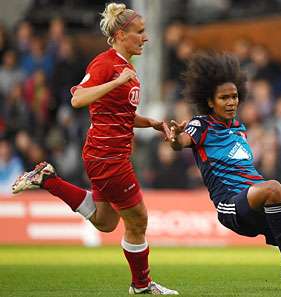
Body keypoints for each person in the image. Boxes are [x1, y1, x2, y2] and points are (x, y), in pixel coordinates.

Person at [11, 3, 178, 295]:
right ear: (122, 34)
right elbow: (78, 99)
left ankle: (48, 179)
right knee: (138, 218)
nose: (146, 38)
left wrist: (149, 122)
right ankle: (141, 284)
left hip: (108, 155)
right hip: (107, 157)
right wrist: (115, 82)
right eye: (140, 32)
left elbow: (117, 113)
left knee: (105, 221)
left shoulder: (127, 69)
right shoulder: (106, 64)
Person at [168, 52, 281, 292]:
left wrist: (276, 197)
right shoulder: (201, 124)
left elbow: (249, 173)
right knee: (274, 185)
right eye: (224, 97)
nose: (231, 102)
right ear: (210, 101)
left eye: (234, 96)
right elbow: (182, 141)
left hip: (262, 199)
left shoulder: (238, 127)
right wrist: (173, 139)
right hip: (232, 205)